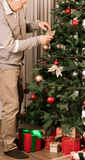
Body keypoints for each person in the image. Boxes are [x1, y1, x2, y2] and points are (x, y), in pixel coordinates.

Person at [0, 0, 53, 159]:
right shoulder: (1, 16)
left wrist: (37, 24)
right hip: (5, 65)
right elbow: (10, 45)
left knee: (18, 100)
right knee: (11, 105)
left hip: (16, 63)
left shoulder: (17, 8)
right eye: (22, 3)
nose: (25, 6)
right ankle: (9, 146)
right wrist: (38, 40)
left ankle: (10, 136)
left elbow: (22, 27)